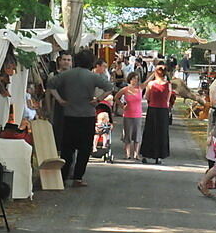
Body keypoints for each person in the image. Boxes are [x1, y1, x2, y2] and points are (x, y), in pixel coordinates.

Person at [47, 50, 114, 186]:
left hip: (69, 114)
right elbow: (109, 87)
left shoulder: (66, 74)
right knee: (84, 149)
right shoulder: (93, 76)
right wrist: (98, 99)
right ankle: (78, 177)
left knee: (67, 148)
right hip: (87, 115)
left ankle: (64, 176)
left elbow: (50, 85)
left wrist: (60, 99)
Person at [139, 65, 173, 164]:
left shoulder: (151, 84)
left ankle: (146, 154)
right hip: (163, 110)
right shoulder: (168, 85)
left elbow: (147, 96)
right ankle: (159, 156)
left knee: (150, 131)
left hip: (153, 109)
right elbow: (168, 99)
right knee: (161, 133)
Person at [114, 72, 144, 160]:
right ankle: (127, 154)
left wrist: (154, 73)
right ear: (130, 79)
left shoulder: (140, 88)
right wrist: (122, 106)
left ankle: (136, 154)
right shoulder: (125, 89)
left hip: (138, 115)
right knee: (127, 135)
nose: (135, 81)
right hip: (128, 115)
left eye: (137, 79)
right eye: (133, 79)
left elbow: (147, 82)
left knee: (137, 135)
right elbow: (116, 97)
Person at [47, 52, 73, 150]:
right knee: (56, 132)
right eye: (64, 59)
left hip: (71, 109)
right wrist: (49, 111)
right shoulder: (53, 75)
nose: (66, 62)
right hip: (56, 108)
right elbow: (48, 94)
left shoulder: (74, 76)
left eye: (68, 60)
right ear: (60, 61)